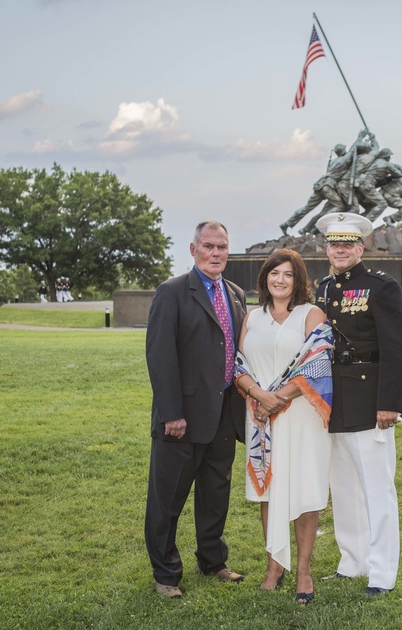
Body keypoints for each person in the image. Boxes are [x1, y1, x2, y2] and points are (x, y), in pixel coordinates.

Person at [144, 220, 248, 599]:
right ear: (193, 250)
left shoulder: (235, 293)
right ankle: (166, 574)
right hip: (181, 418)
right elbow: (160, 356)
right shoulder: (171, 292)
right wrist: (172, 412)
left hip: (224, 413)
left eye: (222, 247)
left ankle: (213, 560)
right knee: (168, 497)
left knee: (215, 493)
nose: (216, 253)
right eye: (208, 246)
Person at [314, 212, 402, 597]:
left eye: (347, 243)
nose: (340, 249)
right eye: (333, 243)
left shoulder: (381, 288)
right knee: (343, 488)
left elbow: (397, 348)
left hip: (371, 402)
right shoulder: (323, 288)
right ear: (327, 248)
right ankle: (351, 561)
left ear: (361, 247)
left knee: (376, 488)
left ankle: (382, 572)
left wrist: (389, 403)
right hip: (334, 401)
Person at [233, 249, 332, 605]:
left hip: (300, 414)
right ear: (265, 277)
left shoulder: (311, 314)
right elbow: (237, 365)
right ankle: (274, 565)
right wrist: (259, 395)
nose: (280, 279)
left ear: (298, 280)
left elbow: (318, 363)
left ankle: (303, 569)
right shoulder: (252, 317)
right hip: (260, 415)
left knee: (304, 487)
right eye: (274, 273)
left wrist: (280, 397)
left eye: (288, 274)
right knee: (269, 489)